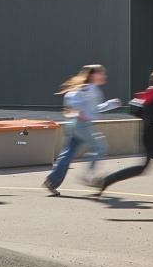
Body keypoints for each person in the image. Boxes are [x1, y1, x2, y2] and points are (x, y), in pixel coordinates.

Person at [95, 70, 153, 207]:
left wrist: (150, 118)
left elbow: (134, 109)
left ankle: (107, 180)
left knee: (144, 168)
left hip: (148, 135)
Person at [44, 64, 119, 195]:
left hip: (75, 124)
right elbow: (71, 97)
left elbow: (94, 108)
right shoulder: (87, 88)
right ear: (92, 75)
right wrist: (78, 110)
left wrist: (110, 104)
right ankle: (88, 177)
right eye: (100, 73)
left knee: (67, 154)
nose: (103, 76)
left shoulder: (92, 89)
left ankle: (52, 181)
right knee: (100, 148)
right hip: (82, 124)